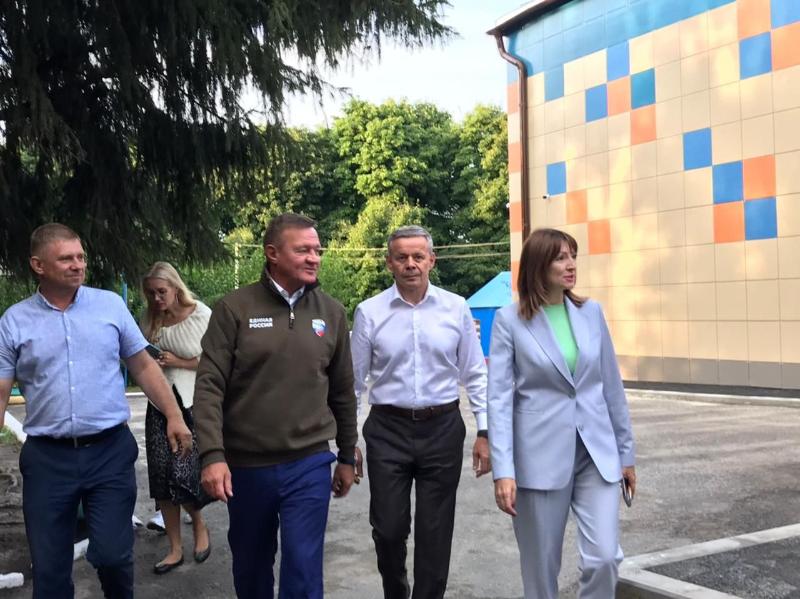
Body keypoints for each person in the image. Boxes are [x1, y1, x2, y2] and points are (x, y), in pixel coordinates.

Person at [0, 223, 193, 599]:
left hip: (109, 453)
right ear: (38, 265)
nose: (78, 265)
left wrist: (174, 415)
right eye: (66, 258)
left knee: (112, 556)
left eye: (81, 257)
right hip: (47, 460)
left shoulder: (109, 305)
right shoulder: (14, 321)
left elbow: (143, 366)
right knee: (49, 570)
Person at [193, 212, 358, 599]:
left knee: (303, 567)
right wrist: (212, 455)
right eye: (303, 250)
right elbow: (209, 386)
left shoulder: (331, 312)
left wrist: (347, 455)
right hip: (247, 466)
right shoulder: (234, 308)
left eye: (317, 250)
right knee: (251, 567)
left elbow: (343, 390)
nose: (314, 258)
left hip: (309, 462)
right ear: (272, 253)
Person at [488, 228, 636, 599]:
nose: (571, 265)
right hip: (538, 459)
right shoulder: (509, 321)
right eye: (560, 258)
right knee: (541, 570)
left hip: (595, 454)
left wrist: (626, 454)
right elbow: (499, 399)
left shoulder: (591, 312)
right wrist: (503, 470)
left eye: (573, 256)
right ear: (538, 265)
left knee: (605, 558)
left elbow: (610, 386)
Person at [350, 225, 490, 599]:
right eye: (401, 257)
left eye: (418, 256)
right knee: (388, 529)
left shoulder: (456, 308)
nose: (410, 264)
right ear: (389, 263)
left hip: (442, 428)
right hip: (387, 431)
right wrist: (349, 441)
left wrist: (485, 431)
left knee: (435, 531)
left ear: (432, 260)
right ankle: (396, 592)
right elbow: (353, 383)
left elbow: (475, 372)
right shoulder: (369, 312)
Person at [140, 261, 213, 573]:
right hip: (158, 405)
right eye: (151, 294)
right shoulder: (150, 319)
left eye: (161, 292)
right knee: (161, 477)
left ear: (175, 287)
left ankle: (199, 525)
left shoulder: (201, 314)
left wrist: (179, 362)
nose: (156, 299)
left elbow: (216, 360)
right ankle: (174, 548)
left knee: (183, 473)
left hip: (191, 402)